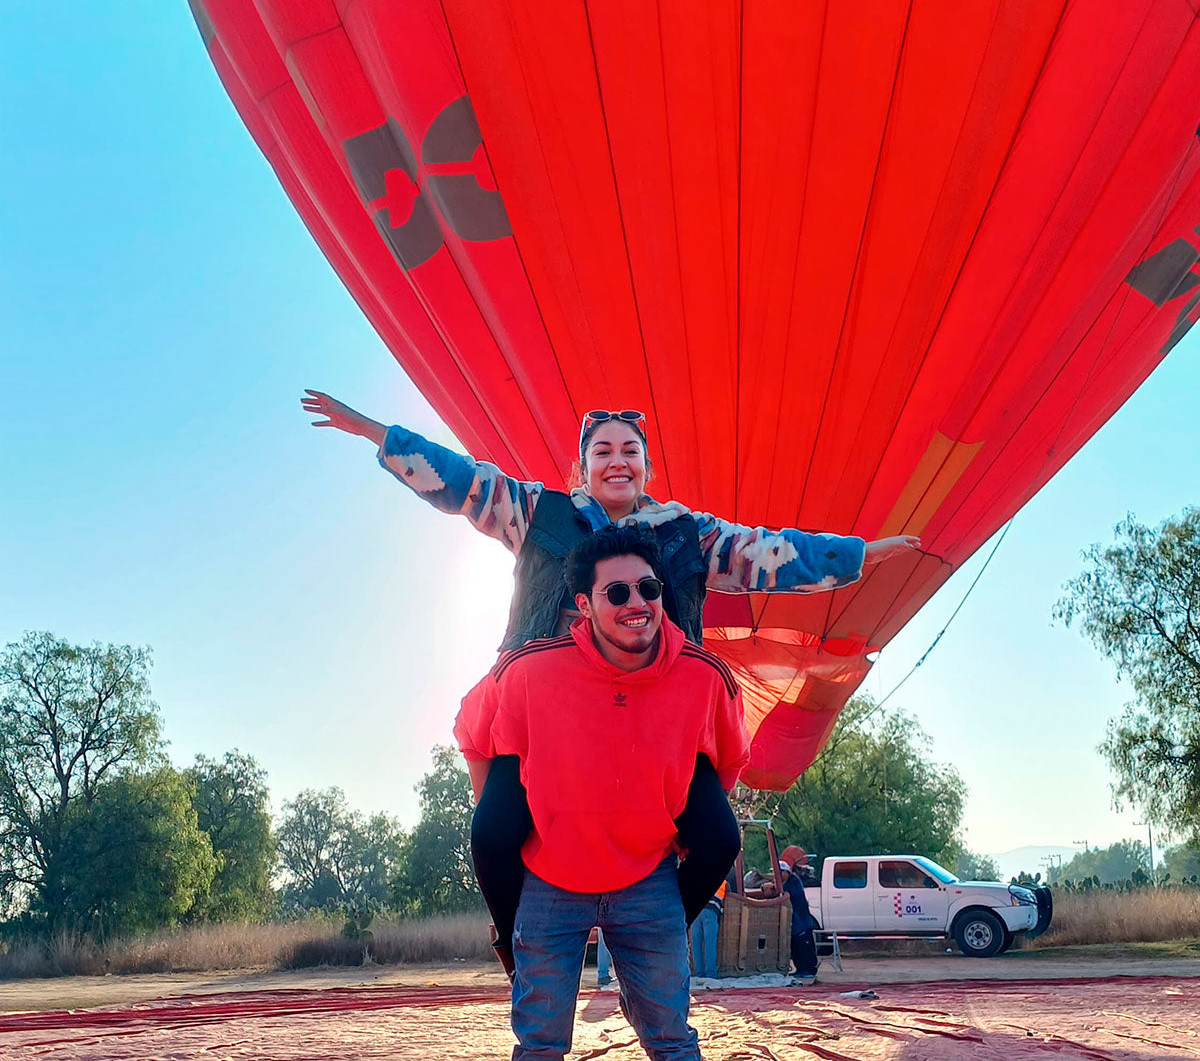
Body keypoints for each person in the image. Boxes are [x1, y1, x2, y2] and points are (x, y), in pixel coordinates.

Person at [302, 391, 920, 971]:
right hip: (549, 719)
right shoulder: (537, 512)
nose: (617, 462)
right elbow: (463, 480)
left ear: (647, 468)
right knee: (492, 831)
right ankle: (515, 942)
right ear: (582, 466)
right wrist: (374, 432)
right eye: (603, 451)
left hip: (658, 720)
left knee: (717, 836)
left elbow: (771, 555)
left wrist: (859, 556)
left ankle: (651, 940)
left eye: (630, 451)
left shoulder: (687, 534)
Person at [454, 525, 752, 1061]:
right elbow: (483, 749)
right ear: (583, 604)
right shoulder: (530, 674)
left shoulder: (702, 677)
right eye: (617, 592)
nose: (637, 603)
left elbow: (726, 767)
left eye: (649, 589)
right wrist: (507, 911)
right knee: (540, 1048)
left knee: (673, 1042)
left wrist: (677, 876)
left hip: (646, 878)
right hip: (551, 880)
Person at [780, 846, 820, 984]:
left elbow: (785, 894)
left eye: (781, 873)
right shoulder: (787, 882)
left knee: (804, 946)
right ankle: (801, 969)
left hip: (802, 921)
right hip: (795, 922)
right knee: (796, 946)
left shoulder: (793, 882)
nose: (779, 876)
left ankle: (809, 970)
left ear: (786, 871)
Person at [689, 884, 724, 979]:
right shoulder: (723, 881)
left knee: (696, 944)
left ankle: (700, 973)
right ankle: (711, 975)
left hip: (695, 911)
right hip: (710, 911)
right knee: (710, 944)